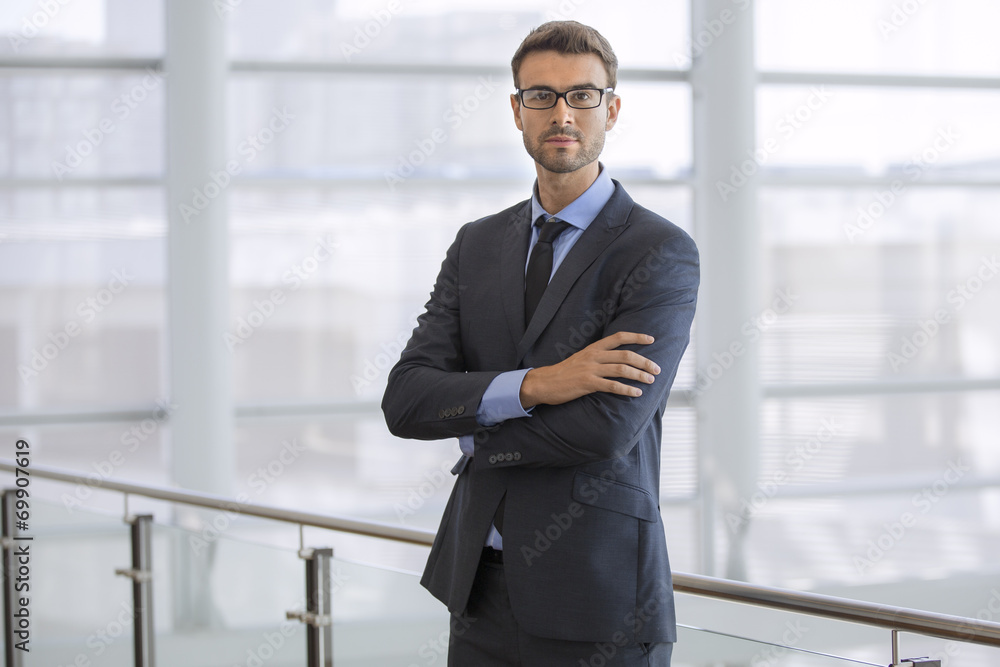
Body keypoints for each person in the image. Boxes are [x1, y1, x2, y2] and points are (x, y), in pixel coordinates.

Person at [382, 20, 699, 666]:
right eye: (541, 96)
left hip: (599, 603)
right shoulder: (477, 244)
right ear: (516, 110)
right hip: (478, 591)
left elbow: (607, 427)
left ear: (611, 108)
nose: (562, 113)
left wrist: (476, 426)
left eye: (582, 96)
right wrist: (538, 384)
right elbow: (407, 399)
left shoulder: (658, 252)